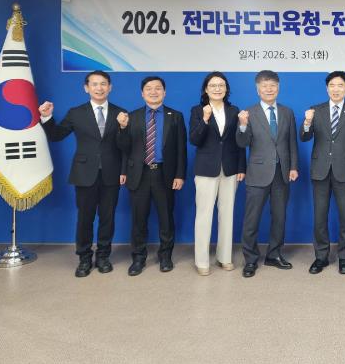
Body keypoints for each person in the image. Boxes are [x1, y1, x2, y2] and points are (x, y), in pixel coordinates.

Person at [38, 70, 126, 277]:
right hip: (84, 173)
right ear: (86, 88)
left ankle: (103, 256)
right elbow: (56, 135)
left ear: (110, 87)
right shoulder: (76, 112)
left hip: (112, 173)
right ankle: (84, 258)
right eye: (94, 84)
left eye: (103, 84)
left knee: (107, 217)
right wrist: (46, 117)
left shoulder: (120, 113)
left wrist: (124, 169)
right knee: (85, 218)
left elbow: (125, 147)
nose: (99, 88)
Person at [116, 76, 187, 276]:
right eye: (149, 88)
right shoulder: (131, 116)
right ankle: (138, 258)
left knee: (166, 219)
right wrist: (122, 128)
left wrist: (180, 174)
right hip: (139, 174)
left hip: (165, 174)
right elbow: (124, 148)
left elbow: (181, 149)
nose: (153, 92)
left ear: (164, 92)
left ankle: (165, 256)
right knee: (138, 220)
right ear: (142, 93)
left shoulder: (176, 116)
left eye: (158, 88)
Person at [236, 70, 298, 278]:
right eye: (264, 86)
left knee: (279, 217)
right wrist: (242, 125)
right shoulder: (248, 113)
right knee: (251, 219)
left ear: (278, 88)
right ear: (258, 90)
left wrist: (293, 167)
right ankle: (250, 259)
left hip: (282, 173)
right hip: (257, 173)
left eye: (272, 85)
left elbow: (292, 143)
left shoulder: (287, 112)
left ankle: (274, 255)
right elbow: (241, 143)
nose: (269, 89)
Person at [301, 71, 345, 275]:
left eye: (340, 85)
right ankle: (321, 257)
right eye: (332, 85)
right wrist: (307, 122)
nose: (336, 89)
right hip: (320, 170)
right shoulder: (315, 110)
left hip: (344, 171)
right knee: (320, 217)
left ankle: (344, 257)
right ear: (327, 88)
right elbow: (304, 137)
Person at [188, 72, 247, 276]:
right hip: (206, 168)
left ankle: (224, 257)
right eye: (213, 85)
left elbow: (239, 142)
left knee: (227, 214)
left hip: (230, 168)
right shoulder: (197, 111)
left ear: (226, 89)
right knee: (204, 215)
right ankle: (202, 261)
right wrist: (205, 119)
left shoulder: (234, 110)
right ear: (206, 89)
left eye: (221, 85)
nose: (217, 88)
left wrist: (241, 167)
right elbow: (194, 140)